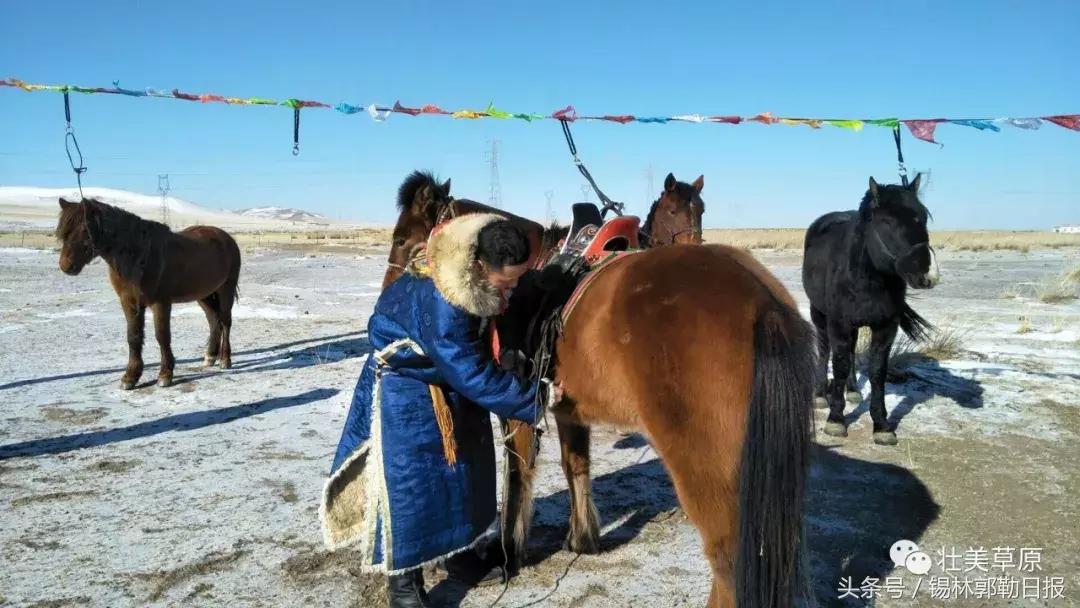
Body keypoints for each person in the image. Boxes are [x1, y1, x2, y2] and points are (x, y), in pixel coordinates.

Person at [320, 214, 559, 608]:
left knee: (465, 473)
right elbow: (470, 372)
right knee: (413, 487)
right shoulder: (446, 300)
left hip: (446, 379)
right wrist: (537, 397)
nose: (513, 289)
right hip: (408, 390)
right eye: (507, 282)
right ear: (479, 266)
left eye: (518, 280)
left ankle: (460, 555)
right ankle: (403, 585)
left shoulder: (471, 280)